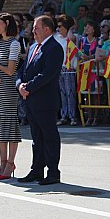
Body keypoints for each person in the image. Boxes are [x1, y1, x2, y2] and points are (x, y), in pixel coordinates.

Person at [16, 15, 64, 185]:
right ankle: (37, 169)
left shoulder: (54, 48)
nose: (33, 31)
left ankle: (53, 171)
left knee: (49, 136)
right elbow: (22, 70)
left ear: (47, 29)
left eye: (36, 27)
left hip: (45, 101)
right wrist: (20, 84)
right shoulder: (34, 47)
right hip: (31, 100)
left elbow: (47, 74)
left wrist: (27, 87)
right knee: (37, 137)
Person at [0, 13, 22, 179]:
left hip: (7, 89)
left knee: (9, 125)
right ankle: (2, 162)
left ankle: (10, 162)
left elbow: (10, 70)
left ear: (7, 24)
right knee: (0, 126)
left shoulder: (14, 44)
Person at [54, 15, 79, 126]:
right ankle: (64, 115)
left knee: (70, 93)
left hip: (69, 68)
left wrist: (70, 28)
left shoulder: (73, 37)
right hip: (60, 68)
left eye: (61, 26)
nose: (58, 28)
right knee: (62, 93)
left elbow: (71, 39)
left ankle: (72, 116)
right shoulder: (57, 38)